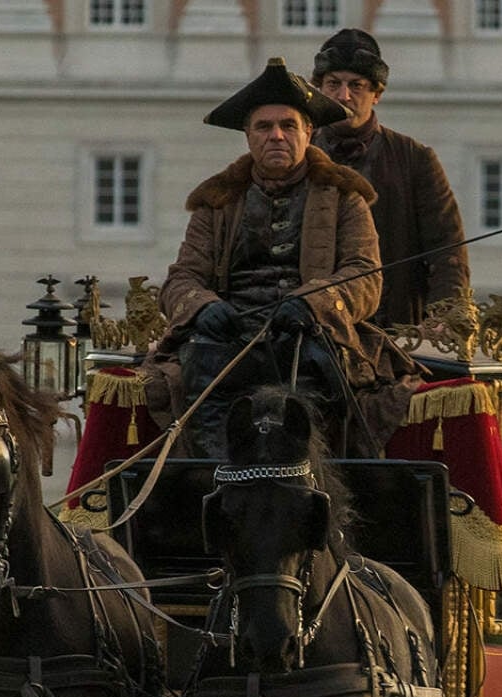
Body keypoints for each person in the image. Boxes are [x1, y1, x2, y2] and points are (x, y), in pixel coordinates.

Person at [160, 58, 381, 457]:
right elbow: (182, 279)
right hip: (229, 344)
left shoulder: (345, 196)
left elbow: (365, 276)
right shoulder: (216, 201)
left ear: (308, 132)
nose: (276, 136)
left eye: (288, 125)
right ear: (248, 136)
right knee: (200, 359)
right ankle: (216, 471)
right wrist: (203, 306)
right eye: (264, 127)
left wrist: (313, 303)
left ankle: (316, 476)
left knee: (319, 371)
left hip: (309, 337)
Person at [311, 29, 468, 332]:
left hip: (393, 329)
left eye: (356, 85)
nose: (344, 96)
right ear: (318, 90)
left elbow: (447, 248)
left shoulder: (415, 158)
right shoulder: (299, 155)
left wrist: (444, 320)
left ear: (377, 94)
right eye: (333, 84)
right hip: (314, 327)